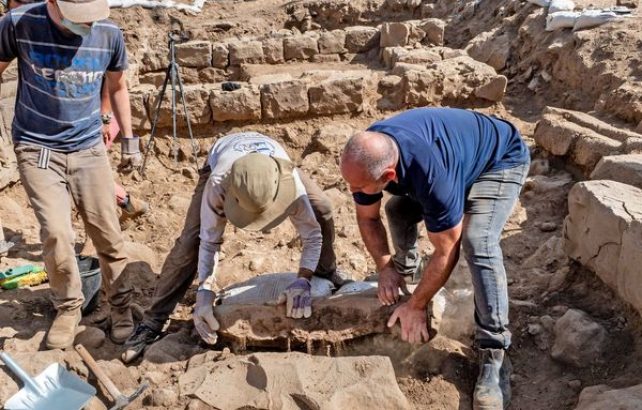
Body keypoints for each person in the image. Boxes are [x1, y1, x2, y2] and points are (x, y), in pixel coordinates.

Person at [340, 107, 530, 410]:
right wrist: (385, 268)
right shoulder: (370, 152)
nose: (353, 191)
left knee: (477, 241)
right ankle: (408, 274)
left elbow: (447, 250)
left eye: (359, 186)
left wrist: (417, 305)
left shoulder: (432, 175)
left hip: (499, 160)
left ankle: (494, 352)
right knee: (397, 210)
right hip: (455, 158)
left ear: (388, 175)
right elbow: (367, 218)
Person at [122, 131, 346, 362]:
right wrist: (204, 293)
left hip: (271, 165)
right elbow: (209, 241)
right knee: (190, 242)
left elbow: (312, 235)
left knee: (322, 208)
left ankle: (326, 273)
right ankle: (152, 321)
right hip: (222, 157)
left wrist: (302, 280)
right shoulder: (218, 182)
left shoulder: (290, 183)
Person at [0, 0, 140, 348]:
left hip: (88, 149)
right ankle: (68, 307)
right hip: (37, 148)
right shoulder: (19, 24)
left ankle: (121, 307)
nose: (87, 26)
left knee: (107, 232)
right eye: (79, 19)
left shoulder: (109, 33)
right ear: (52, 2)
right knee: (57, 232)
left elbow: (117, 86)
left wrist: (128, 139)